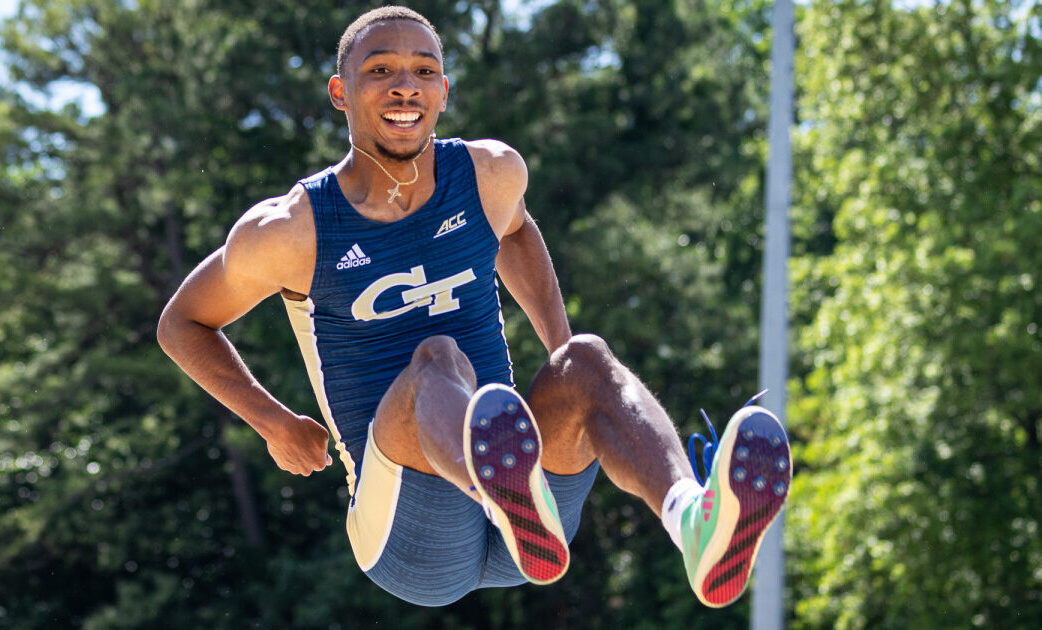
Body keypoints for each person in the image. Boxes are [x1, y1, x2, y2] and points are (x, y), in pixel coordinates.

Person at [157, 5, 790, 609]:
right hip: (409, 541)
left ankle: (692, 521)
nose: (405, 86)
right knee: (438, 359)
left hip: (534, 529)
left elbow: (515, 231)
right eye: (380, 70)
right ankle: (501, 493)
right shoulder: (290, 229)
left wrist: (562, 358)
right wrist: (273, 423)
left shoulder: (490, 174)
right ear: (340, 92)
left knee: (589, 357)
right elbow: (182, 323)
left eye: (424, 71)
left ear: (444, 90)